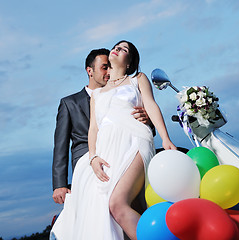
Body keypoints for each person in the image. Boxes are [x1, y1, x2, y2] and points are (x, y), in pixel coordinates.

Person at [50, 40, 176, 240]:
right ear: (89, 70)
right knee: (101, 207)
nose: (117, 50)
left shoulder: (138, 79)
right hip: (104, 152)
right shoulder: (90, 97)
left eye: (123, 49)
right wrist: (92, 158)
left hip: (134, 141)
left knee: (117, 203)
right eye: (116, 47)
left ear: (129, 63)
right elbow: (89, 131)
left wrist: (165, 137)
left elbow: (150, 107)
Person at [52, 48, 151, 204]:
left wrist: (147, 120)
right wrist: (60, 184)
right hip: (88, 158)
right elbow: (60, 146)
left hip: (122, 151)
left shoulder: (125, 93)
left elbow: (143, 129)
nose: (109, 71)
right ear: (89, 71)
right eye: (104, 67)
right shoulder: (70, 103)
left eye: (110, 67)